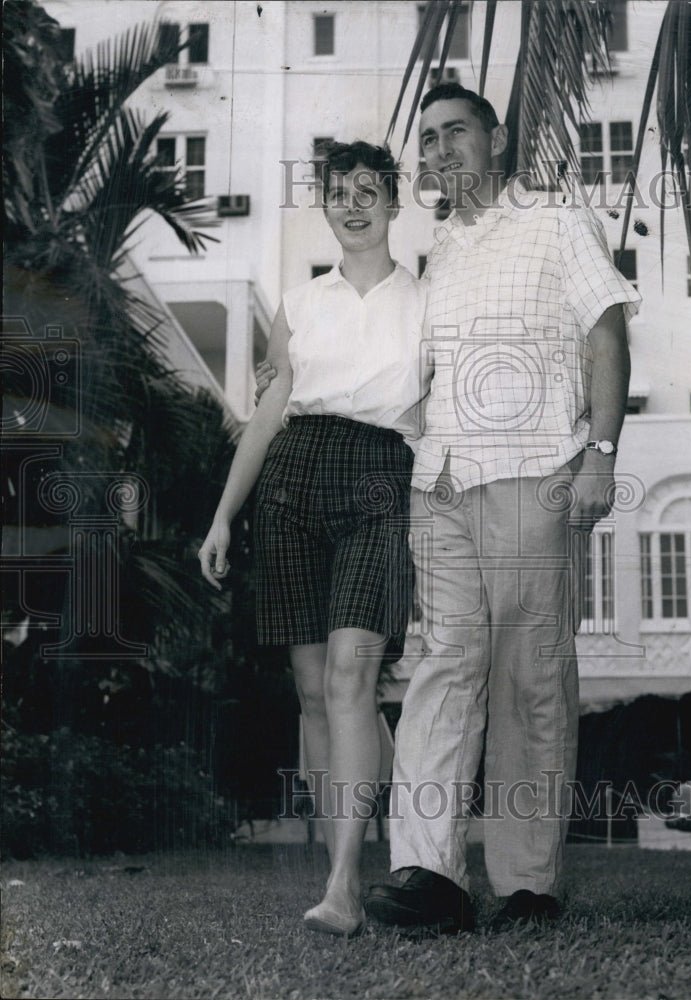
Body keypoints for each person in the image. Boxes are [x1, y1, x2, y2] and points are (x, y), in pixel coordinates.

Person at [360, 83, 641, 934]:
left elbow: (606, 335)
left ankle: (527, 883)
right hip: (440, 484)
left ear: (498, 138)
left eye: (456, 133)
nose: (440, 152)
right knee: (442, 672)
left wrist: (599, 456)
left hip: (535, 474)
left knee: (530, 681)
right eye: (428, 140)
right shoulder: (435, 253)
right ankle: (426, 872)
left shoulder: (556, 221)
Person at [200, 141, 427, 937]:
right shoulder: (299, 304)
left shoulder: (427, 302)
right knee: (312, 693)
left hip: (380, 479)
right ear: (325, 205)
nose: (355, 203)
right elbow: (269, 410)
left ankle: (344, 885)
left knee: (349, 678)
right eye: (340, 192)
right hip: (293, 479)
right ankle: (392, 853)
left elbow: (433, 421)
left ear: (394, 203)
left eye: (371, 190)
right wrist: (226, 513)